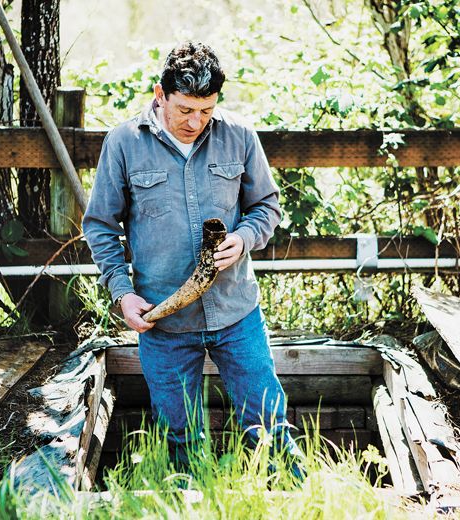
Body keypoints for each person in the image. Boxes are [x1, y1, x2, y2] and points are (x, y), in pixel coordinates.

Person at [82, 42, 304, 476]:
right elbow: (100, 226)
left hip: (236, 311)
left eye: (206, 110)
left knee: (269, 423)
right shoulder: (124, 143)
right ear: (159, 94)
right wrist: (122, 293)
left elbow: (268, 206)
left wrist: (244, 237)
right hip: (163, 319)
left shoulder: (239, 135)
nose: (195, 122)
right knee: (180, 435)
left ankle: (293, 500)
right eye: (185, 109)